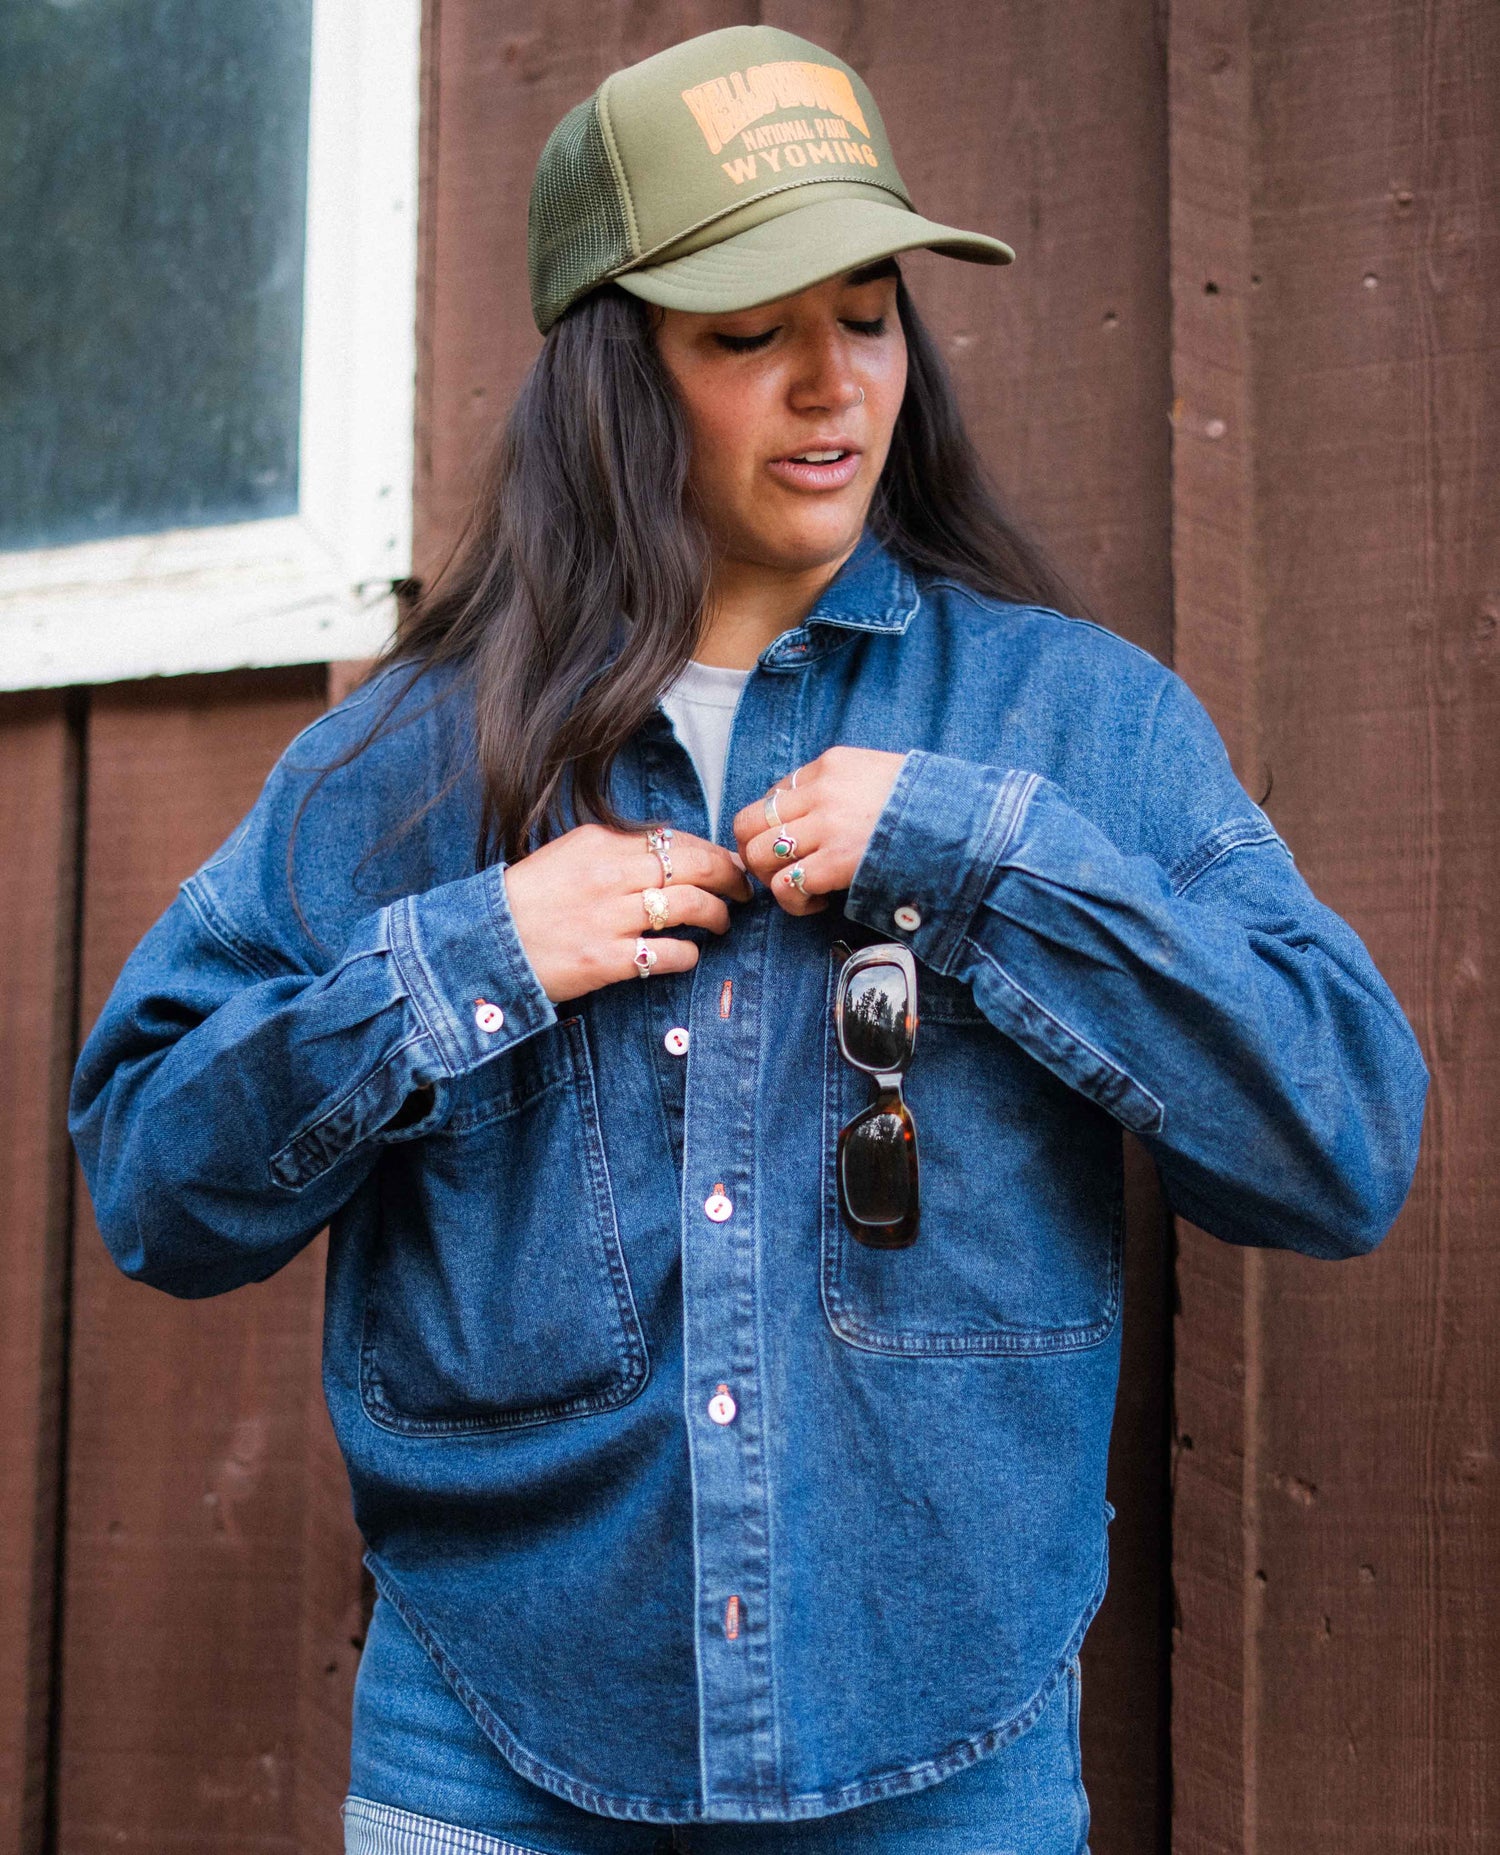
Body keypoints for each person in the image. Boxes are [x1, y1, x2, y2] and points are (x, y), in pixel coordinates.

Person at [69, 23, 1429, 1855]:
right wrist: (468, 959)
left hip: (947, 1753)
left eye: (866, 317)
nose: (831, 385)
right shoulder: (401, 769)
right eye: (747, 335)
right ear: (614, 376)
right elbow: (154, 1177)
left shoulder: (1067, 721)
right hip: (496, 1750)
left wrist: (984, 870)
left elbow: (1342, 1136)